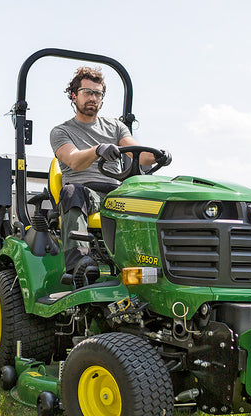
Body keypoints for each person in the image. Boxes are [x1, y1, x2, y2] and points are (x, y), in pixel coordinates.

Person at [50, 66, 171, 284]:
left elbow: (139, 155)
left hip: (116, 194)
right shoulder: (61, 131)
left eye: (98, 94)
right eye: (87, 92)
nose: (93, 98)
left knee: (155, 200)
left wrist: (158, 156)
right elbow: (74, 160)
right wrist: (98, 149)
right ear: (74, 95)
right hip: (85, 192)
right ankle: (81, 264)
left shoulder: (116, 127)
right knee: (71, 192)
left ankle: (157, 267)